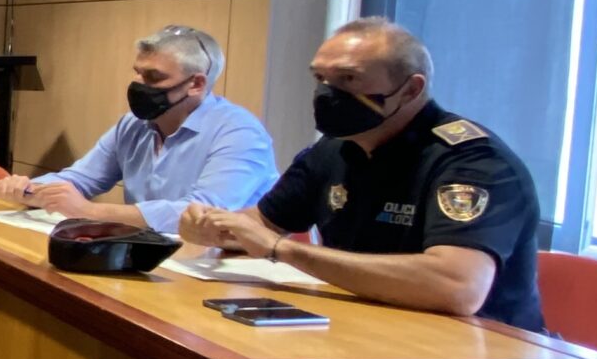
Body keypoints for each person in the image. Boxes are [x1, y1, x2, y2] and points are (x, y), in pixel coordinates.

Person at [179, 16, 544, 329]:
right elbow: (261, 224)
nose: (327, 93)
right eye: (320, 78)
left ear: (410, 89)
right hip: (368, 325)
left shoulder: (473, 161)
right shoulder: (334, 149)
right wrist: (213, 226)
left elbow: (457, 287)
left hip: (482, 353)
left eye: (348, 79)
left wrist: (280, 250)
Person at [0, 24, 277, 234]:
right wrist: (29, 189)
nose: (139, 85)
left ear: (196, 84)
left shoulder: (240, 133)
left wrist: (90, 211)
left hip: (228, 269)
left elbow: (202, 214)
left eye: (153, 77)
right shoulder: (133, 125)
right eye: (138, 73)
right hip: (154, 257)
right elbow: (80, 179)